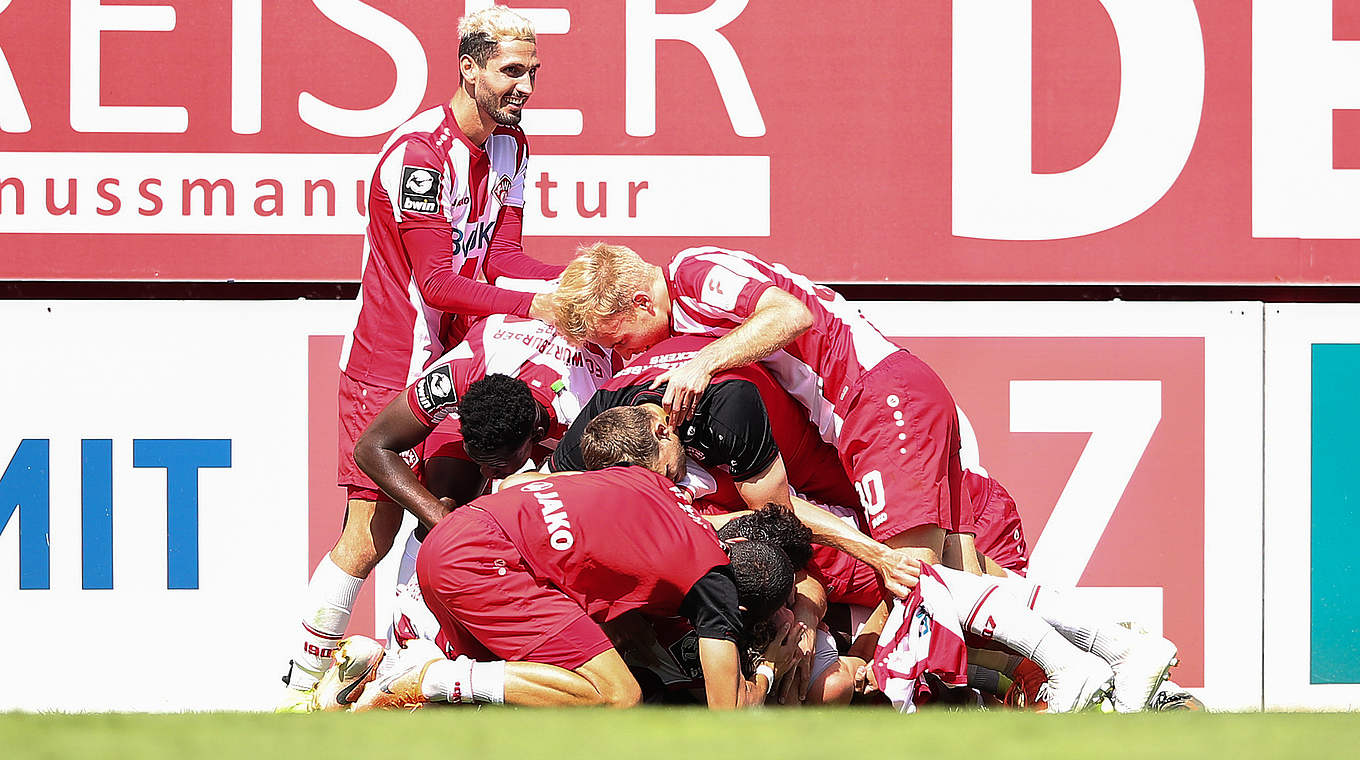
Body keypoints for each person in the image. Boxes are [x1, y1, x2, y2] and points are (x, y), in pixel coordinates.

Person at [281, 7, 566, 707]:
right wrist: (538, 307)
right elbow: (435, 283)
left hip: (456, 360)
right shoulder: (417, 155)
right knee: (369, 535)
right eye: (510, 70)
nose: (525, 85)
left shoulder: (512, 146)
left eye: (532, 71)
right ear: (468, 67)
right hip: (386, 365)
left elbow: (503, 258)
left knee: (451, 503)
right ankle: (298, 686)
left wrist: (571, 288)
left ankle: (391, 671)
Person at [312, 405, 804, 710]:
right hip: (489, 563)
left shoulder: (655, 484)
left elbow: (521, 484)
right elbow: (727, 718)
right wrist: (767, 670)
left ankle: (365, 686)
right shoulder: (712, 581)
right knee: (618, 694)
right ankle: (431, 674)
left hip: (461, 530)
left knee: (510, 696)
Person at [551, 244, 983, 579]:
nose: (629, 353)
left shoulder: (690, 271)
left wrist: (703, 364)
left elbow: (791, 315)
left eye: (621, 340)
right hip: (879, 398)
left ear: (642, 302)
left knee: (913, 576)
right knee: (956, 569)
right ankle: (1023, 670)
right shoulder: (681, 309)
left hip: (875, 397)